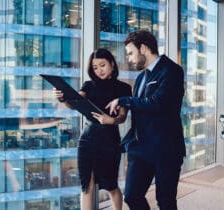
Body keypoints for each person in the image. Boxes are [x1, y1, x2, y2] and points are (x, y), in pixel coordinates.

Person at [106, 30, 186, 210]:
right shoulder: (142, 77)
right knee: (132, 196)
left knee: (165, 202)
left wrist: (124, 100)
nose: (129, 58)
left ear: (143, 48)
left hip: (167, 149)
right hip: (141, 150)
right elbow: (140, 110)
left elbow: (158, 104)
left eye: (131, 53)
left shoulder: (171, 70)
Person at [53, 48, 132, 210]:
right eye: (95, 67)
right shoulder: (89, 85)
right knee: (86, 185)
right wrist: (63, 98)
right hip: (87, 139)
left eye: (102, 65)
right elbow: (74, 102)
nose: (99, 70)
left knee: (110, 185)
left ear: (111, 63)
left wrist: (111, 120)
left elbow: (123, 116)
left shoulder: (124, 88)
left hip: (109, 139)